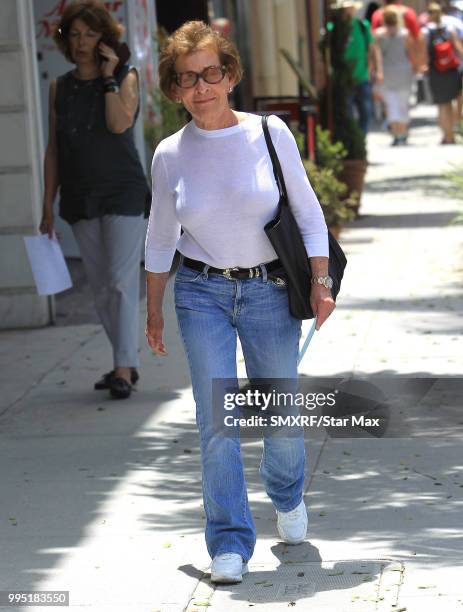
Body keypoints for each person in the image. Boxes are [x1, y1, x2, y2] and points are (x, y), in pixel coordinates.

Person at [145, 21, 335, 584]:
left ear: (229, 75)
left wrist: (321, 283)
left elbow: (308, 214)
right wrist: (153, 309)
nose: (201, 87)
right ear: (174, 88)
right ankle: (228, 540)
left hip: (270, 289)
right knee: (216, 420)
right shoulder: (169, 154)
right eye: (187, 79)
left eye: (211, 74)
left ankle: (285, 492)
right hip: (200, 291)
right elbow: (159, 238)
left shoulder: (270, 134)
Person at [39, 0, 150, 399]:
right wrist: (46, 204)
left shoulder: (126, 76)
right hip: (80, 195)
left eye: (90, 33)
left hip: (122, 191)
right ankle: (125, 362)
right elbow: (53, 150)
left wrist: (107, 77)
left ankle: (123, 366)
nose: (82, 41)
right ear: (65, 40)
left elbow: (118, 123)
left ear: (104, 39)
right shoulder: (59, 88)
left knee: (120, 282)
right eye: (75, 34)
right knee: (101, 286)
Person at [330, 1, 382, 134]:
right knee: (347, 114)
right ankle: (351, 140)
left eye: (350, 8)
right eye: (345, 8)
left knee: (366, 113)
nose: (348, 11)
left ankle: (361, 139)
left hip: (362, 77)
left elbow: (371, 50)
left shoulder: (362, 26)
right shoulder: (333, 28)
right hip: (342, 79)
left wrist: (375, 69)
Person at [375, 6, 417, 145]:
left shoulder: (378, 34)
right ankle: (403, 133)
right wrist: (416, 68)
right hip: (404, 71)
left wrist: (377, 71)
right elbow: (411, 53)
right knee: (403, 104)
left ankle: (396, 134)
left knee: (391, 104)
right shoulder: (405, 34)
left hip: (387, 72)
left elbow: (376, 56)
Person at [422, 2, 463, 143]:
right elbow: (458, 48)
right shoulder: (450, 28)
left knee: (442, 105)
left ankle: (446, 135)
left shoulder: (426, 31)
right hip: (452, 70)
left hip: (436, 71)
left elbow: (424, 54)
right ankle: (451, 134)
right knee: (451, 104)